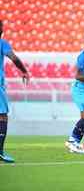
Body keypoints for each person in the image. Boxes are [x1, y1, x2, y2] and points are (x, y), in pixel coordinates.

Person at [0, 20, 30, 163]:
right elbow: (14, 58)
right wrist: (24, 71)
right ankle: (0, 151)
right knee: (2, 117)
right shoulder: (2, 43)